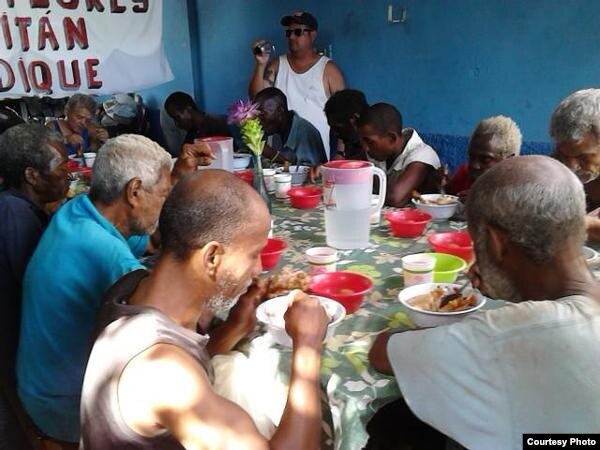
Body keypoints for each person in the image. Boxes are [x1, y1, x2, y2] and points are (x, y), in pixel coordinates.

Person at [80, 170, 329, 449]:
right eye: (253, 254)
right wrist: (308, 344)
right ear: (211, 257)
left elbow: (191, 361)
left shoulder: (133, 286)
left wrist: (234, 328)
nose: (258, 268)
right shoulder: (162, 371)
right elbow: (175, 376)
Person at [368, 155, 600, 450]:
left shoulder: (505, 334)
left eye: (477, 245)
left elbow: (383, 352)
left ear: (495, 242)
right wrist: (508, 282)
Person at [16, 135, 214, 445]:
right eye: (163, 194)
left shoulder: (79, 210)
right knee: (203, 384)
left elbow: (149, 242)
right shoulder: (110, 256)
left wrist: (174, 178)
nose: (165, 203)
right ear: (134, 192)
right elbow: (180, 328)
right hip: (64, 404)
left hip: (38, 384)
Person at [0, 124, 69, 450]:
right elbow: (43, 293)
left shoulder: (17, 206)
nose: (68, 174)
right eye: (61, 167)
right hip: (14, 353)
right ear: (32, 175)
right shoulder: (17, 217)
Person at [249, 11, 345, 159]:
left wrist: (340, 153)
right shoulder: (277, 65)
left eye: (298, 32)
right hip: (278, 156)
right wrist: (261, 64)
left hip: (313, 156)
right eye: (289, 33)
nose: (292, 37)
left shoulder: (329, 70)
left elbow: (344, 115)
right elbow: (257, 101)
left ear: (313, 35)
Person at [357, 103, 441, 207]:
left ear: (391, 138)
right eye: (362, 141)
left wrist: (366, 179)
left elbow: (396, 198)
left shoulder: (423, 155)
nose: (365, 147)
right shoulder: (377, 151)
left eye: (369, 141)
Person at [550, 88, 600, 240]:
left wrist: (587, 225)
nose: (570, 166)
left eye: (582, 157)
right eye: (563, 154)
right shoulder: (550, 170)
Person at [447, 115, 522, 196]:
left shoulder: (521, 190)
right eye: (471, 157)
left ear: (509, 161)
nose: (474, 165)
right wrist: (442, 188)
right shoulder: (464, 176)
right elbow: (446, 199)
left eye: (485, 159)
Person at [255, 87, 327, 166]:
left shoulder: (305, 132)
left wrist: (271, 154)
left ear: (280, 111)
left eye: (262, 113)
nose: (257, 119)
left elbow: (312, 171)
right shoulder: (273, 129)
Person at [164, 91, 232, 152]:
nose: (177, 124)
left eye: (177, 118)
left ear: (188, 109)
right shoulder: (193, 132)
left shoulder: (216, 125)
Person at [324, 89, 369, 160]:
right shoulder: (350, 141)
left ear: (354, 119)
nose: (336, 134)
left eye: (338, 129)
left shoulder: (379, 146)